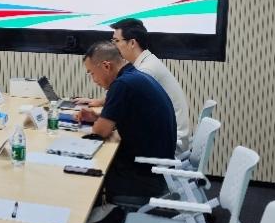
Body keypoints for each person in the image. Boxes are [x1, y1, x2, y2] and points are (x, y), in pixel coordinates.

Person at [74, 18, 191, 155]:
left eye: (116, 41)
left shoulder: (138, 74)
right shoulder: (135, 70)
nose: (114, 46)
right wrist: (99, 116)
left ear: (132, 43)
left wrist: (101, 120)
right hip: (162, 142)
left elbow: (100, 132)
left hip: (160, 153)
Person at [78, 41, 176, 204]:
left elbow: (100, 132)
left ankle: (95, 217)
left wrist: (99, 124)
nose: (93, 80)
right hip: (158, 170)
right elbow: (128, 119)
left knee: (85, 171)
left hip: (143, 177)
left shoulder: (122, 84)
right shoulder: (135, 76)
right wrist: (96, 118)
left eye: (92, 73)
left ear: (106, 66)